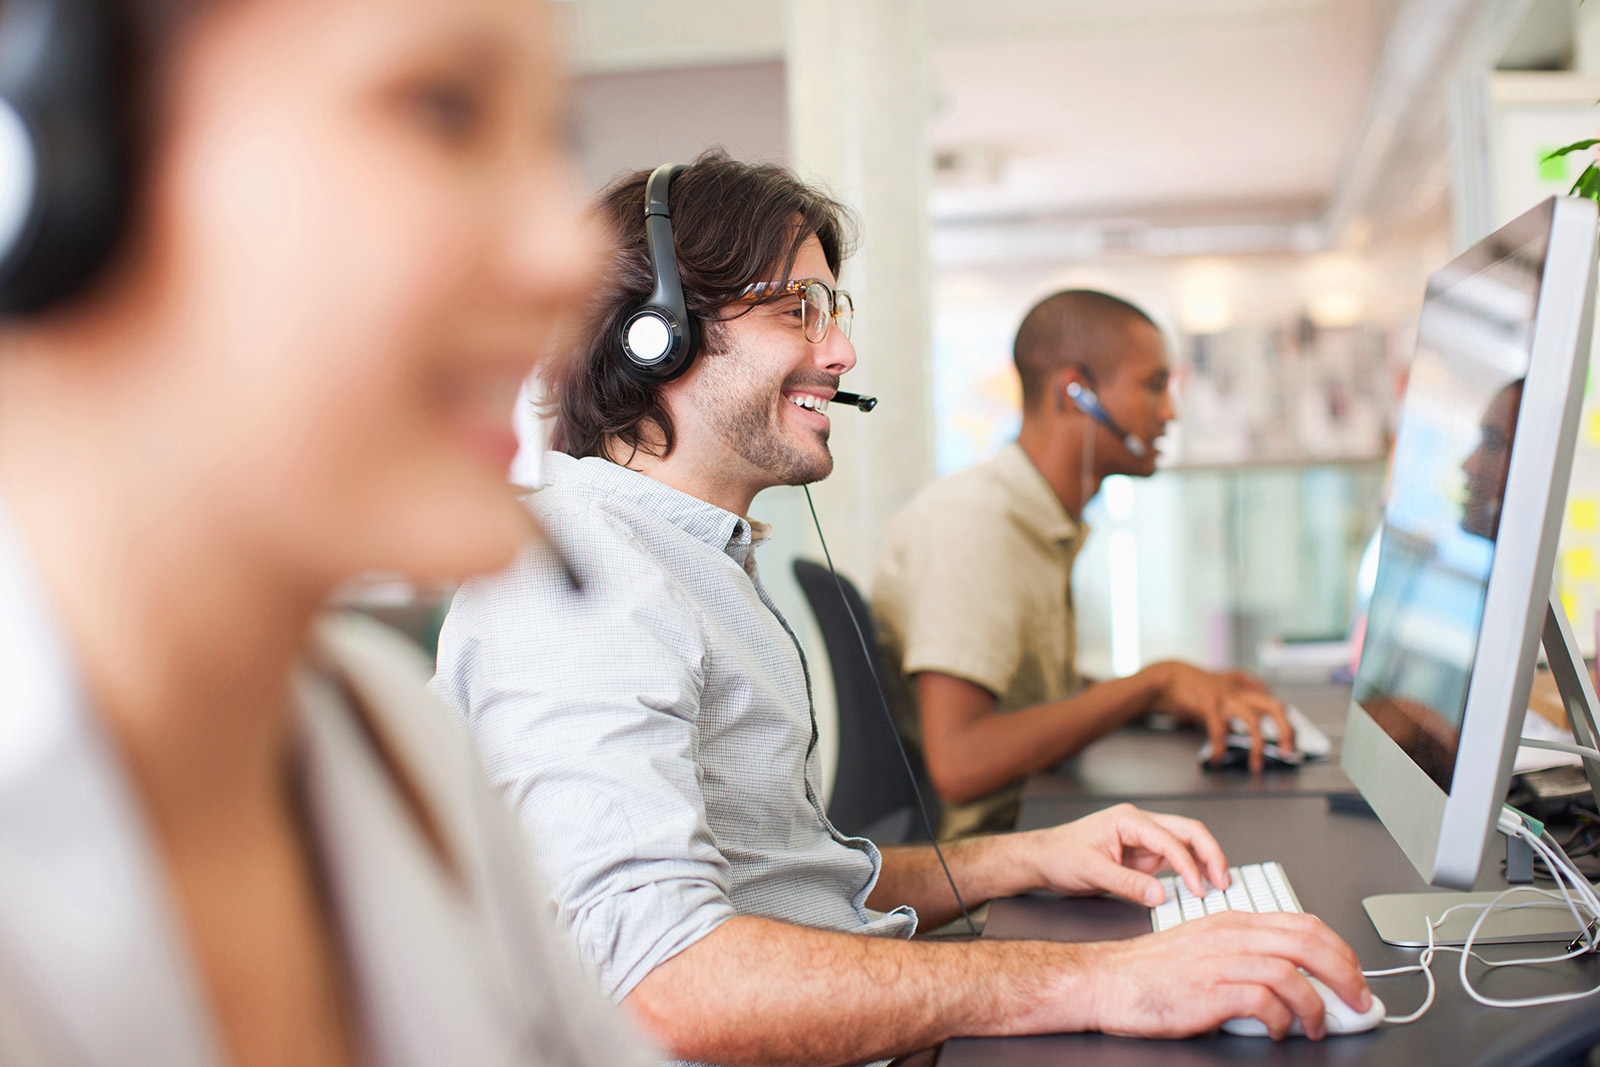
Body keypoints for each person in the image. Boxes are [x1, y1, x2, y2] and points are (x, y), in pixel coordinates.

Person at [431, 152, 1372, 1067]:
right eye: (800, 310)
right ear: (658, 331)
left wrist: (1032, 856)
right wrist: (1099, 980)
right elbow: (659, 978)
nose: (840, 350)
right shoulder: (573, 576)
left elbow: (792, 879)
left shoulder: (687, 559)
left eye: (832, 312)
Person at [0, 0, 652, 1064]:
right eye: (444, 109)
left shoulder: (396, 740)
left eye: (553, 140)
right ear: (46, 157)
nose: (569, 257)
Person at [874, 289, 1295, 838]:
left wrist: (1169, 695)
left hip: (1035, 821)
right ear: (1075, 392)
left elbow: (1037, 696)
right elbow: (961, 762)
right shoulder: (976, 525)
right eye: (1154, 386)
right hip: (987, 866)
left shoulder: (1034, 517)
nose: (1170, 412)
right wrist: (1151, 682)